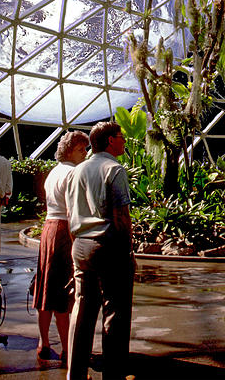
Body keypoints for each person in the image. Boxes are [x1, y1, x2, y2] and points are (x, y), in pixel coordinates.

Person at [65, 121, 134, 380]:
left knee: (82, 309)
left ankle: (76, 373)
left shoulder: (77, 170)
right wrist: (128, 252)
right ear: (109, 141)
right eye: (121, 136)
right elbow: (121, 217)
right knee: (115, 312)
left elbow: (70, 213)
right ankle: (113, 375)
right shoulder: (114, 169)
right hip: (108, 246)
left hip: (81, 245)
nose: (124, 140)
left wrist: (78, 242)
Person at [33, 130, 89, 367]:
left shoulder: (54, 172)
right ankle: (68, 349)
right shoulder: (73, 173)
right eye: (81, 149)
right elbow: (73, 212)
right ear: (69, 151)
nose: (85, 154)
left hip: (49, 230)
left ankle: (44, 343)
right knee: (65, 294)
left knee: (46, 290)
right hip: (64, 232)